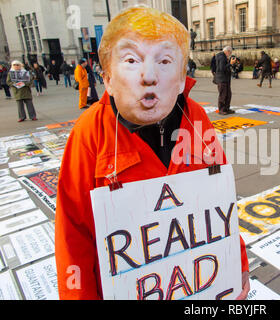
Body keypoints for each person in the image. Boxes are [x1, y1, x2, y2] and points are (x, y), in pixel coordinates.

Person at [54, 6, 249, 300]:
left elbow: (221, 205)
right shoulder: (89, 133)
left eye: (165, 60)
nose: (149, 76)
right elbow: (73, 235)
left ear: (182, 77)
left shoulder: (196, 118)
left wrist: (238, 265)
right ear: (107, 78)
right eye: (131, 60)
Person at [214, 46, 237, 115]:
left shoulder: (223, 56)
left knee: (228, 94)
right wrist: (230, 63)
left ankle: (226, 108)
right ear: (227, 51)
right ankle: (221, 109)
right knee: (223, 95)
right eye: (230, 53)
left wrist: (230, 64)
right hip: (222, 79)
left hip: (225, 79)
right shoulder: (222, 57)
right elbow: (222, 68)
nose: (229, 55)